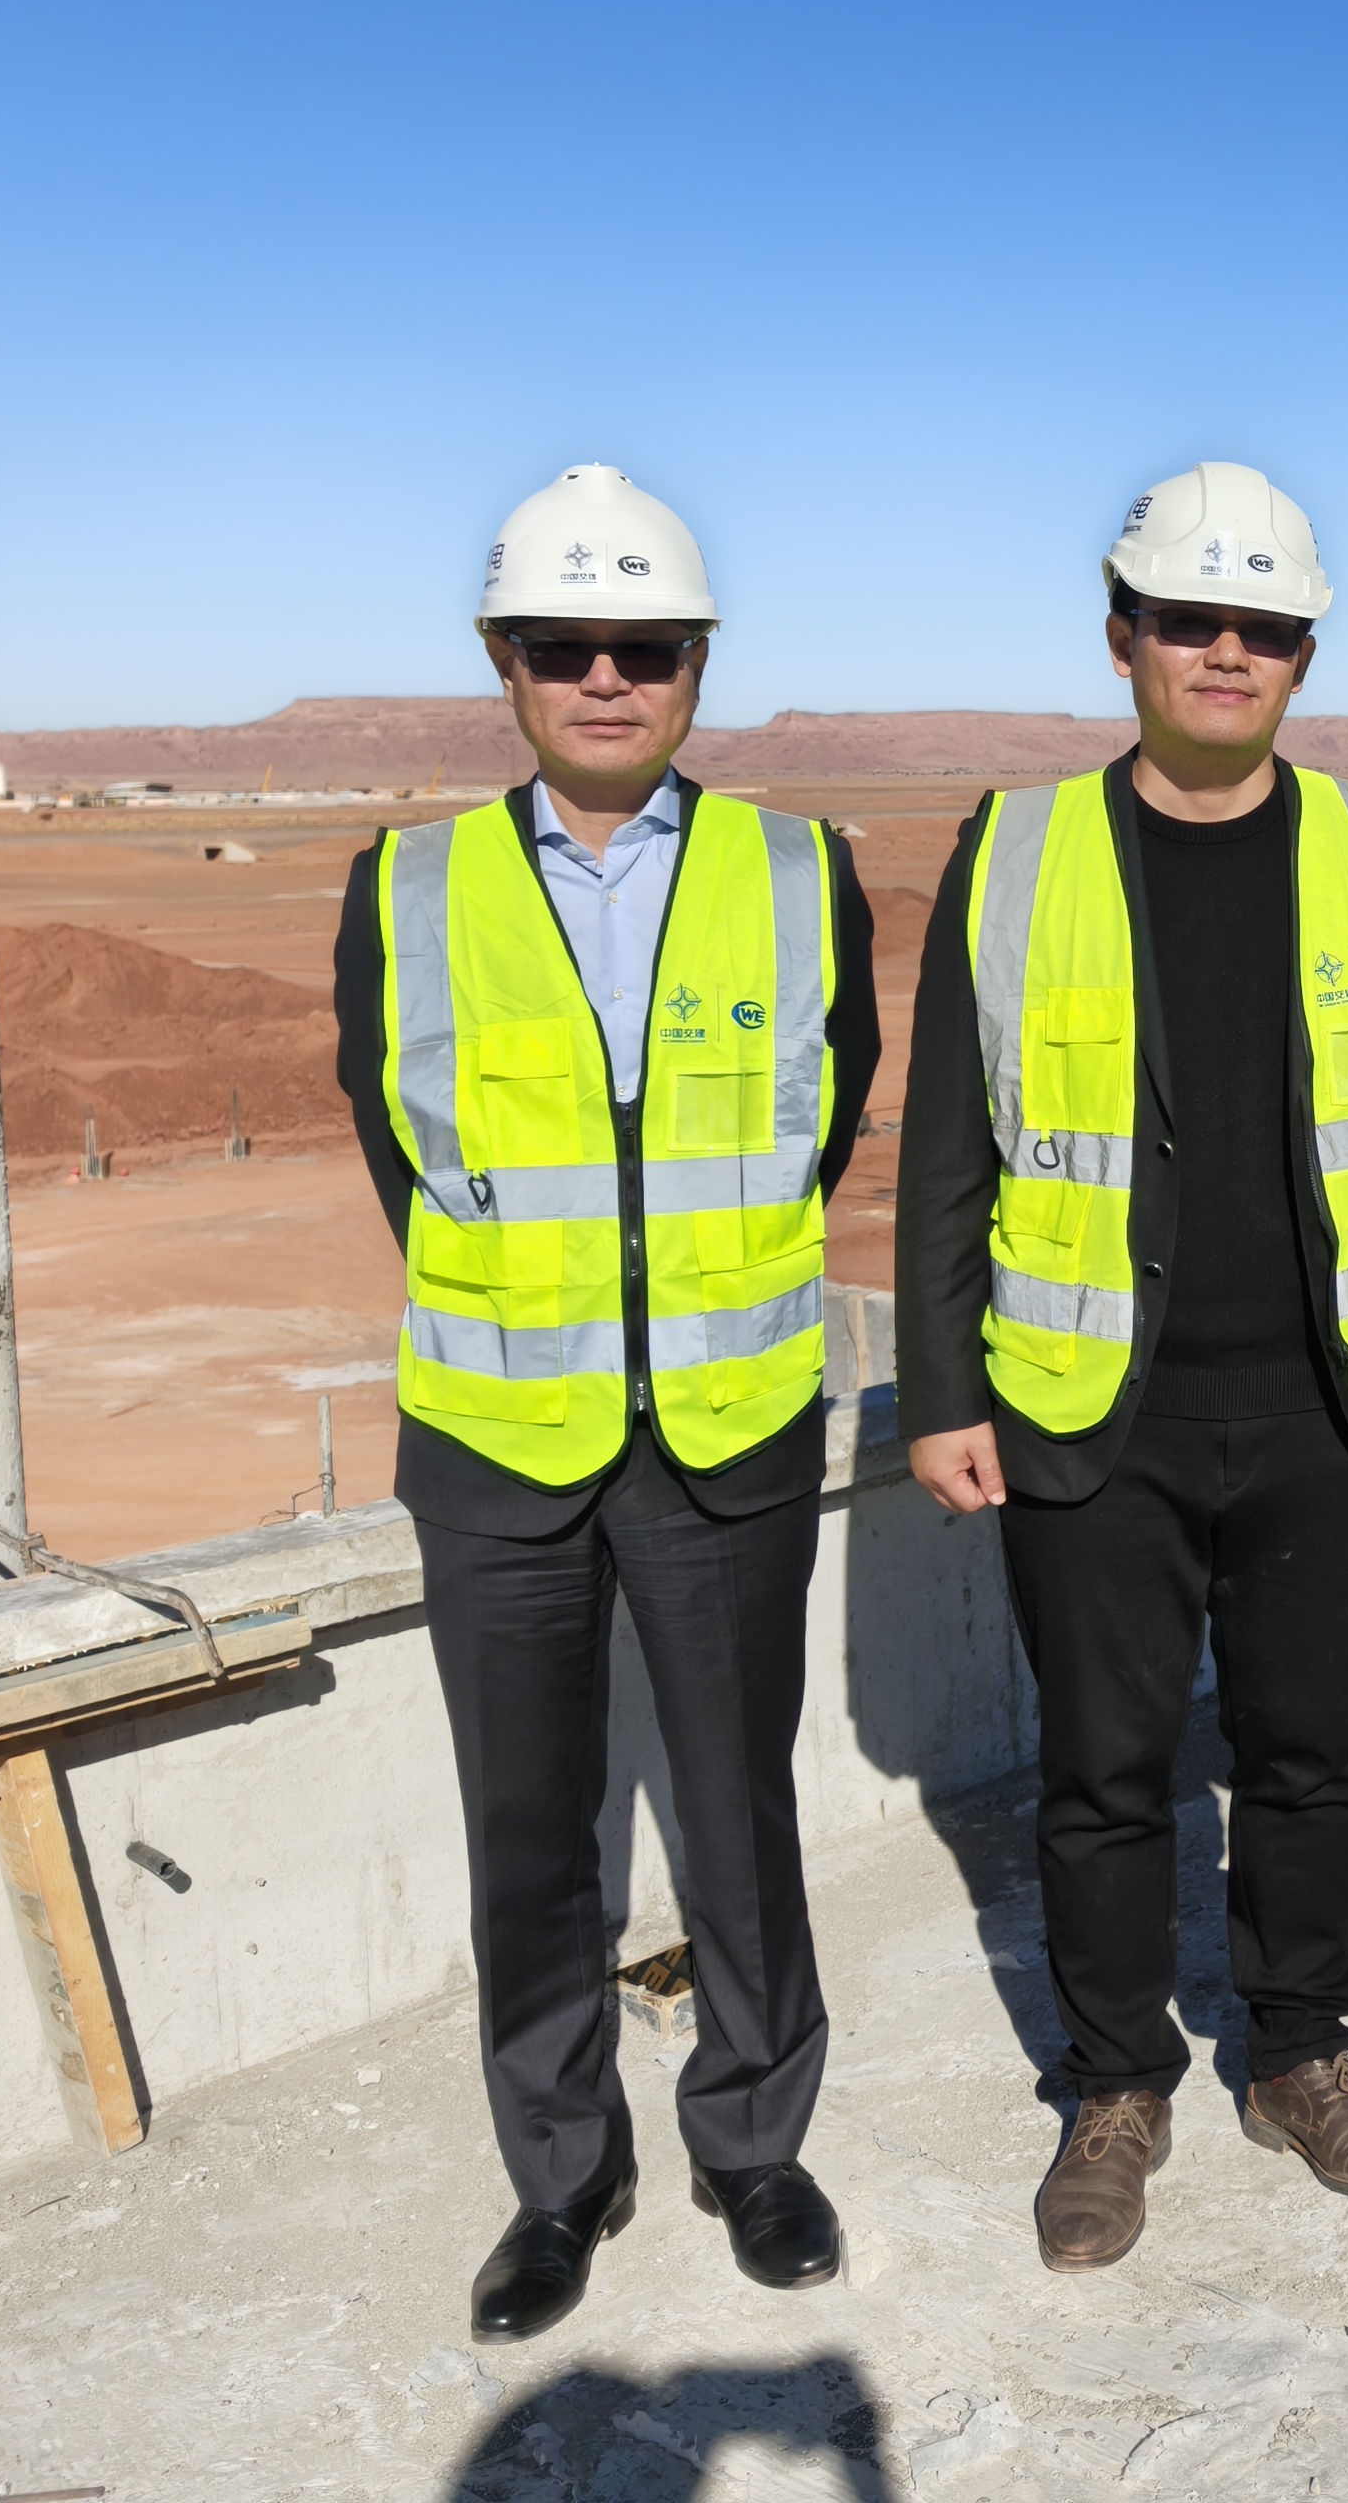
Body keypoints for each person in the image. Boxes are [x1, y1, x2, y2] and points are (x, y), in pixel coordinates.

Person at [895, 462, 1348, 2274]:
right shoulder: (1015, 850)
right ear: (1122, 635)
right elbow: (949, 1144)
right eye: (1191, 621)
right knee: (1104, 1771)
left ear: (1304, 654)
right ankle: (1117, 2086)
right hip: (1093, 1410)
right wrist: (941, 1388)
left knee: (1309, 1757)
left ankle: (1299, 2054)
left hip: (1328, 1399)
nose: (1228, 653)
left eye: (1264, 627)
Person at [333, 464, 880, 2342]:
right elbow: (401, 1146)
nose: (604, 679)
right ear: (504, 661)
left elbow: (824, 1117)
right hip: (498, 1445)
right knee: (529, 1832)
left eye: (644, 647)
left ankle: (754, 2145)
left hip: (725, 1435)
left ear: (697, 665)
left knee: (738, 1815)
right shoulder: (409, 884)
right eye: (564, 646)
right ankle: (562, 2177)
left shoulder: (797, 874)